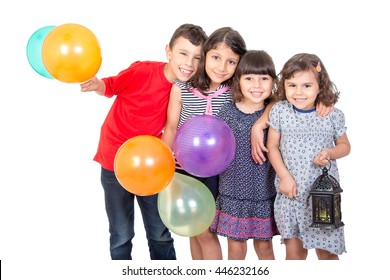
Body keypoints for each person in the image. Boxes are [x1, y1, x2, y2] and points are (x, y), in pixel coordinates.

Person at [79, 23, 207, 260]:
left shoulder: (187, 89)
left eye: (196, 57)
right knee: (121, 233)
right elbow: (110, 86)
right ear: (168, 51)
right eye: (183, 53)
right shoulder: (143, 71)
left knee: (159, 232)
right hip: (114, 161)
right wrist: (97, 85)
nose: (189, 63)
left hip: (152, 167)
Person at [162, 27, 247, 260]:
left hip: (216, 172)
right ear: (206, 55)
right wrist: (164, 163)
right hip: (183, 169)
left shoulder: (235, 91)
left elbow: (271, 99)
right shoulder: (182, 88)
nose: (221, 67)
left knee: (206, 230)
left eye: (231, 61)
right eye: (216, 58)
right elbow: (170, 128)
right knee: (193, 228)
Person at [266, 53, 351, 260]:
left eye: (307, 86)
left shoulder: (331, 114)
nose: (298, 92)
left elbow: (345, 146)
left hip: (322, 196)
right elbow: (273, 146)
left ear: (320, 86)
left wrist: (330, 153)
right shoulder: (280, 111)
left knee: (328, 254)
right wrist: (284, 176)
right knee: (294, 255)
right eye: (292, 85)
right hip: (291, 193)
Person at [210, 50, 279, 260]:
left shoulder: (275, 111)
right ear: (238, 80)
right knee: (235, 249)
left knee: (265, 247)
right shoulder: (226, 111)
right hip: (233, 192)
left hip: (263, 193)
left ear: (273, 81)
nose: (256, 86)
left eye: (264, 79)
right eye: (249, 78)